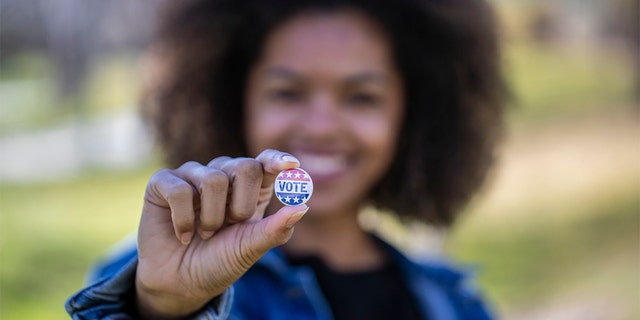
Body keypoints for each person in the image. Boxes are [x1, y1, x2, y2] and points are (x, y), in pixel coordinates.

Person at [66, 0, 506, 318]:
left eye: (361, 97)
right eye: (287, 93)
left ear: (412, 115)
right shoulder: (150, 274)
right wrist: (165, 307)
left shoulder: (455, 301)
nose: (320, 126)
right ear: (233, 101)